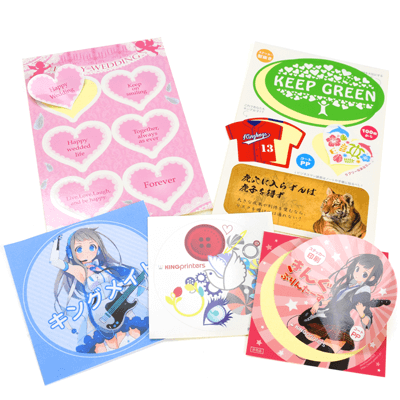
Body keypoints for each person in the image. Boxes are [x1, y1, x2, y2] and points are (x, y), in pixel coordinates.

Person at [49, 227, 148, 353]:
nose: (86, 253)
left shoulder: (104, 267)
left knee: (134, 332)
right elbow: (54, 261)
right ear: (71, 253)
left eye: (91, 247)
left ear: (98, 248)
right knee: (106, 344)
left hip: (119, 305)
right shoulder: (80, 271)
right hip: (100, 312)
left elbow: (119, 284)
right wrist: (56, 242)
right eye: (79, 249)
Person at [296, 254, 385, 370]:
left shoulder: (363, 293)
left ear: (371, 278)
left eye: (364, 274)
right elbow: (332, 300)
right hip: (326, 317)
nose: (357, 274)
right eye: (357, 269)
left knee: (323, 353)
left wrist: (362, 313)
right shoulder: (347, 285)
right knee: (300, 340)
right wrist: (319, 303)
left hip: (341, 324)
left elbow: (367, 318)